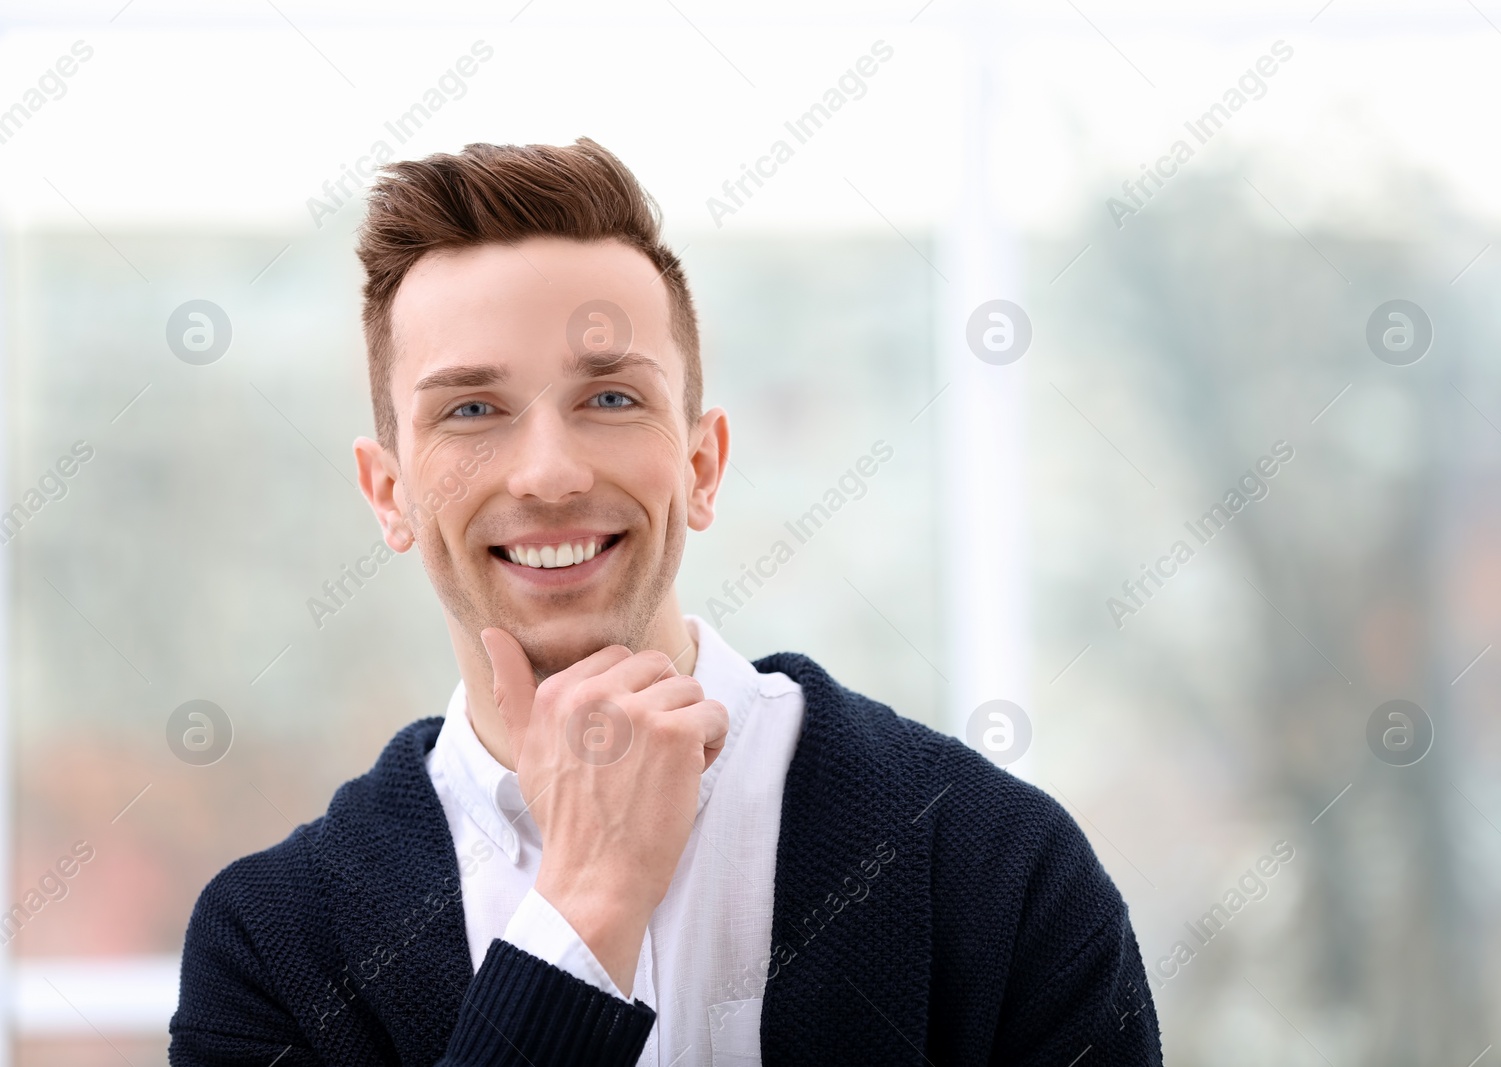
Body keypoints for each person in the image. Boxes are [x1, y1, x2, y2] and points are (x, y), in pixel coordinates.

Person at [168, 138, 1162, 1065]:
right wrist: (583, 912)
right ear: (390, 492)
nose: (550, 473)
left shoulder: (996, 869)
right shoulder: (272, 946)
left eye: (609, 397)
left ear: (701, 462)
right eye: (471, 409)